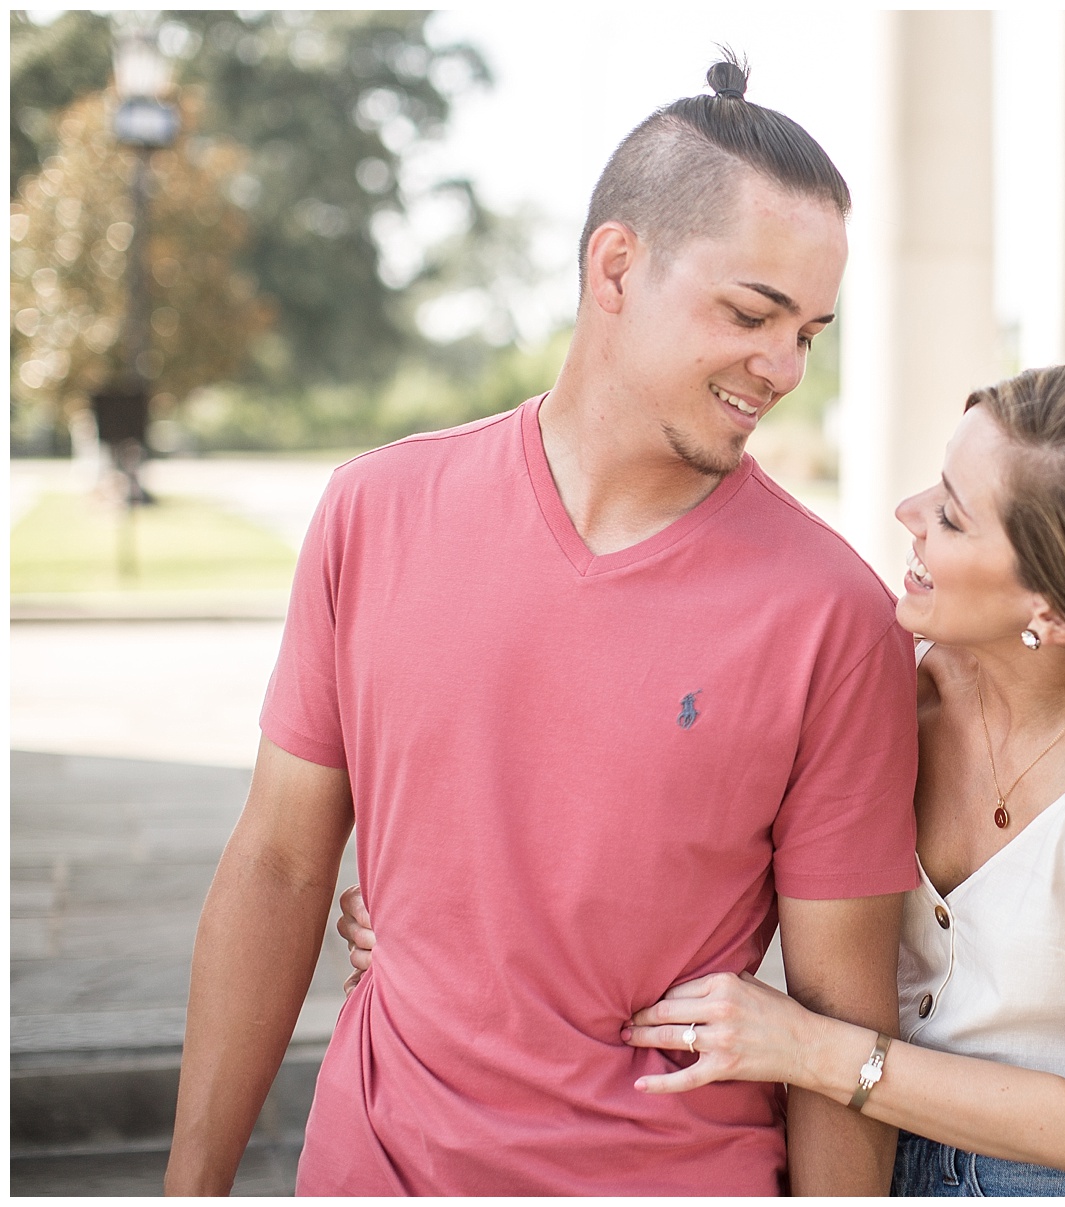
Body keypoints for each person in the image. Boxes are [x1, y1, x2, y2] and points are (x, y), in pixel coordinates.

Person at [164, 57, 921, 1197]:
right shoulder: (376, 511)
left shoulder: (834, 616)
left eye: (809, 332)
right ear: (615, 266)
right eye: (752, 314)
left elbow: (835, 1014)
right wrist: (191, 1186)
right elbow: (276, 864)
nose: (784, 368)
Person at [340, 365, 1065, 1194]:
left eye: (953, 515)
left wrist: (813, 1051)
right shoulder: (885, 684)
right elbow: (671, 834)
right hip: (847, 1153)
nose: (908, 512)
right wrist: (470, 922)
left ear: (1052, 607)